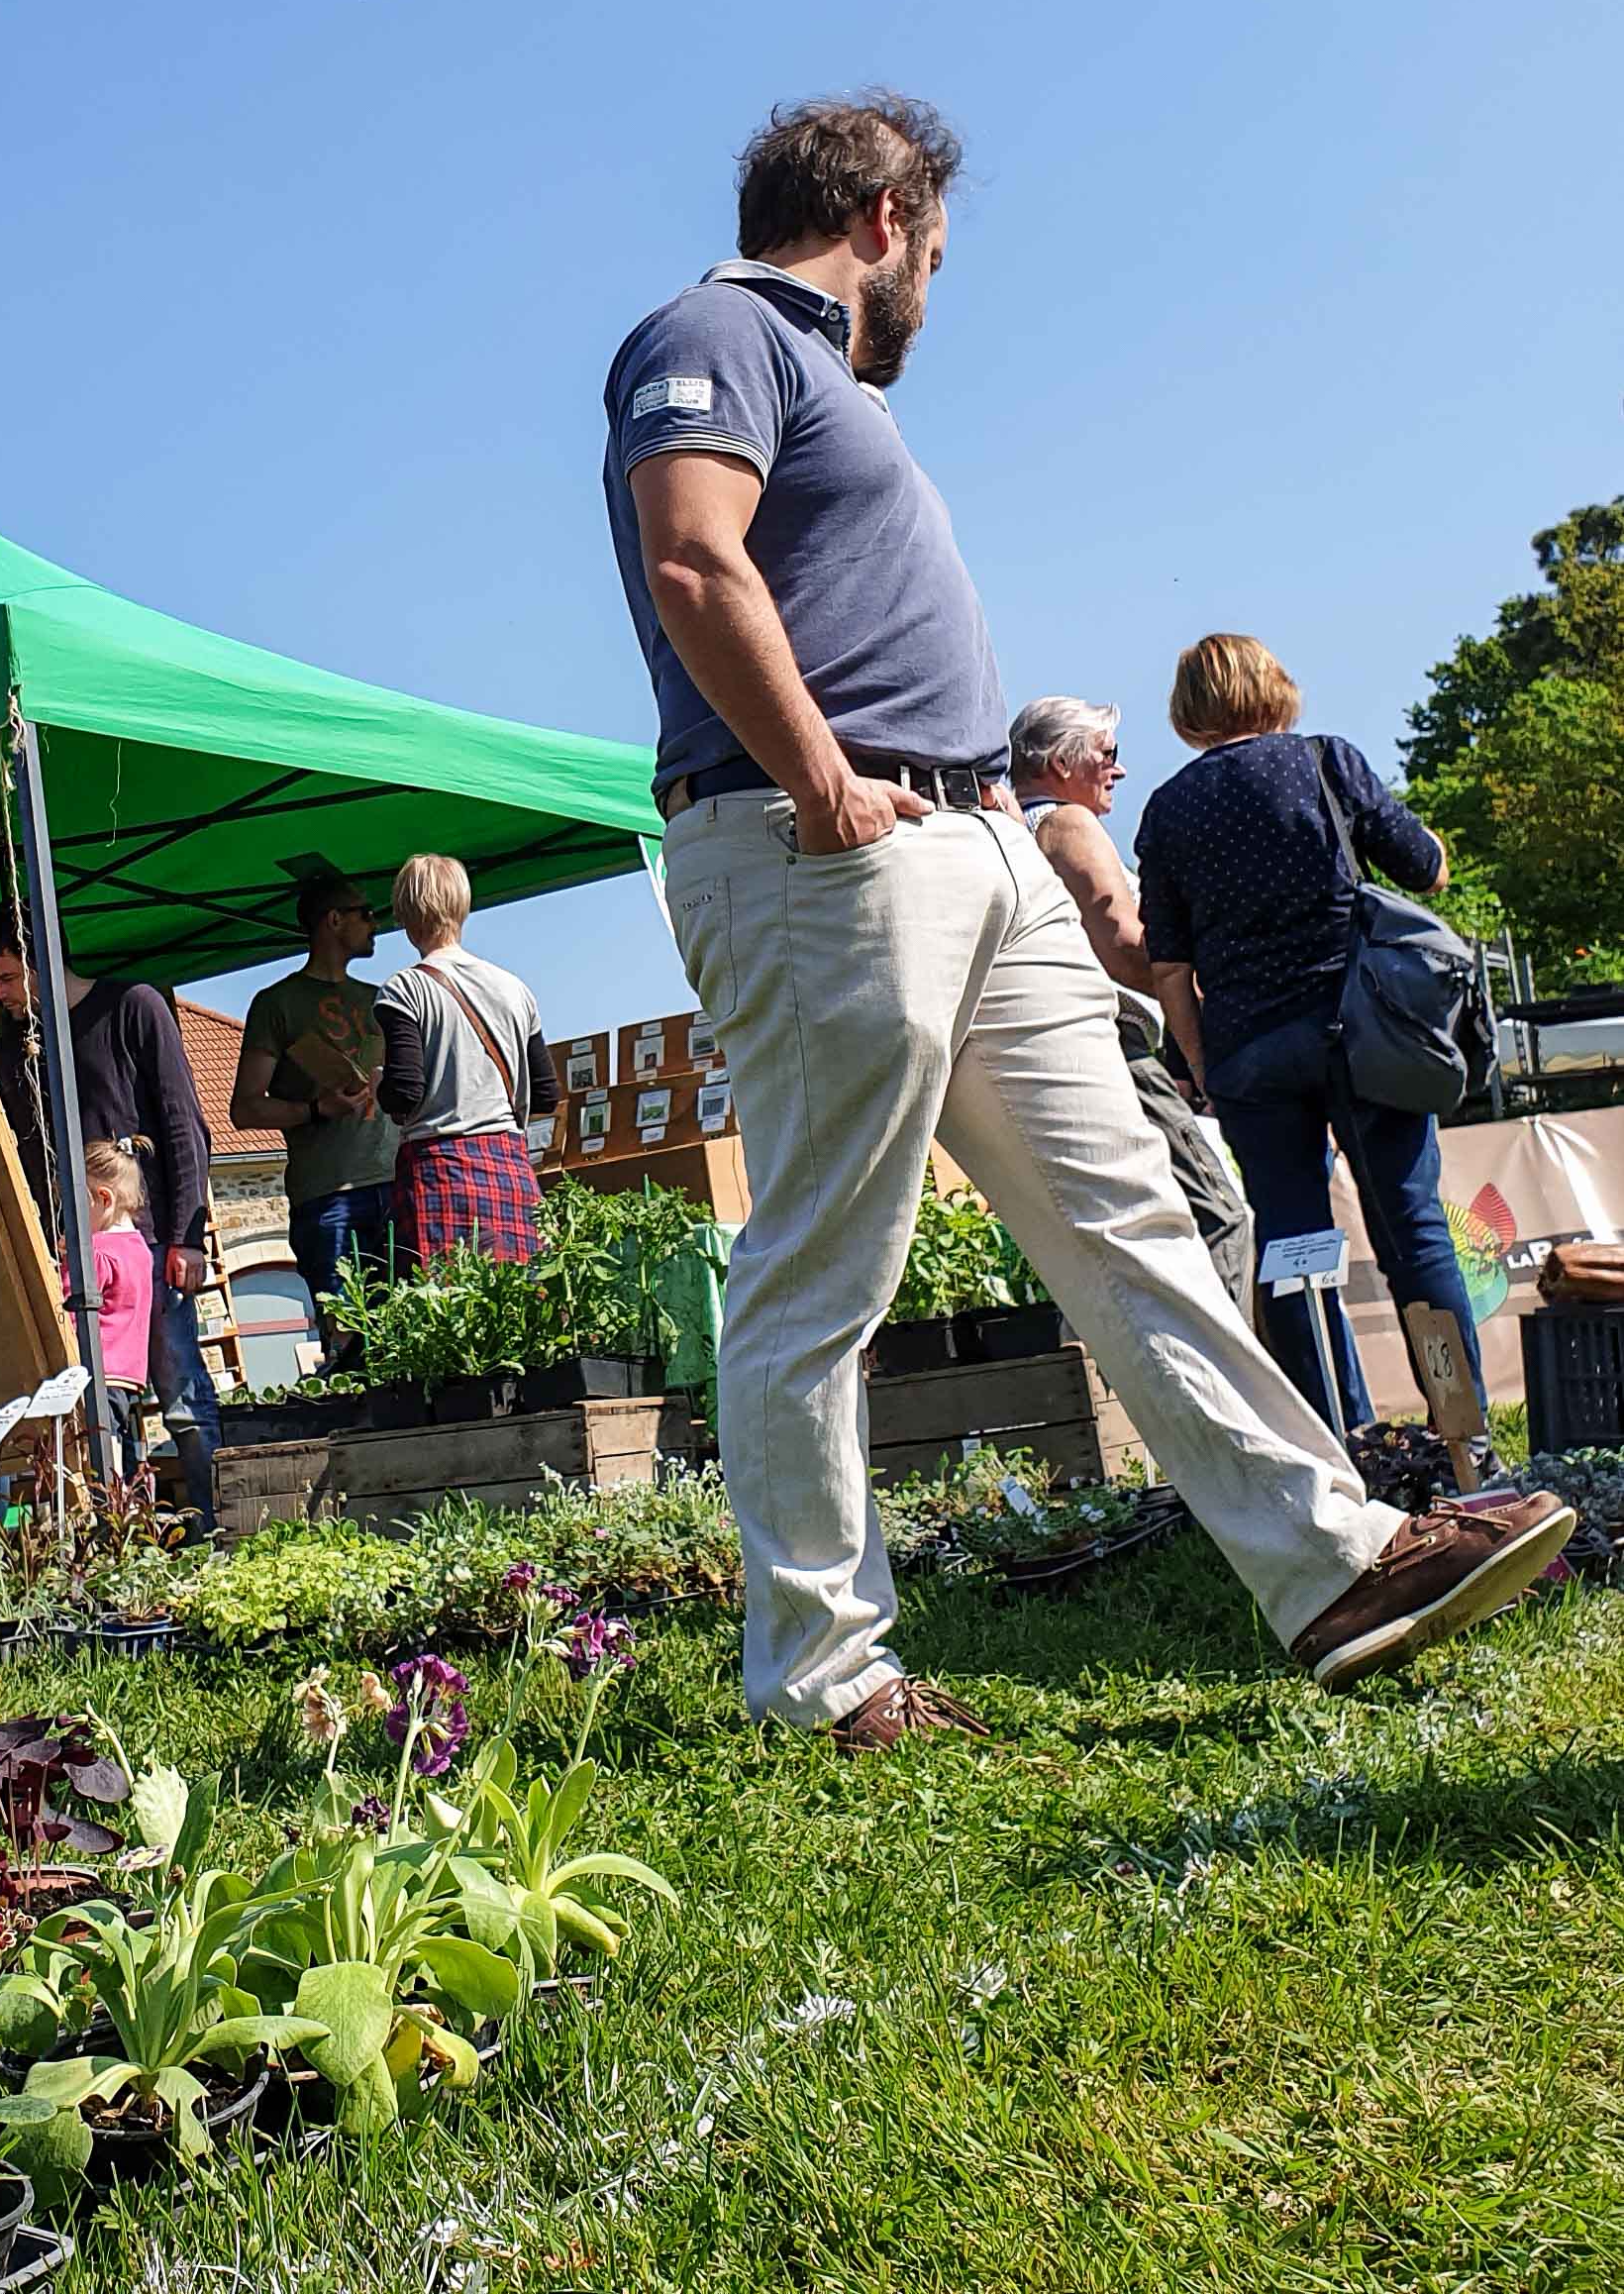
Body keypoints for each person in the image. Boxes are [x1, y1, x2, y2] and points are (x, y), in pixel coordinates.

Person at [601, 91, 1568, 1747]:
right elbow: (693, 560)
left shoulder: (825, 386)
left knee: (1130, 1215)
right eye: (940, 255)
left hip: (972, 845)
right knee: (823, 1260)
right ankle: (823, 1679)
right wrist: (829, 785)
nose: (931, 293)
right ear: (890, 217)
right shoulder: (715, 330)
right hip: (821, 842)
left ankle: (1331, 1560)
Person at [1135, 634, 1483, 1431]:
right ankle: (1463, 1436)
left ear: (1188, 711)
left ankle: (1344, 1449)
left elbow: (1169, 967)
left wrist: (1200, 1063)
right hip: (1362, 1041)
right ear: (1273, 686)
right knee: (1411, 1230)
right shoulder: (1325, 761)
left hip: (1250, 1056)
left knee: (1295, 1252)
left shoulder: (1167, 808)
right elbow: (1424, 867)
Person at [0, 907, 222, 1532]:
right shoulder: (19, 1047)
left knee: (181, 1392)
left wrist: (187, 1237)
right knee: (97, 1406)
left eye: (6, 979)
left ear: (40, 963)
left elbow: (184, 1124)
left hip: (146, 1247)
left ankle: (221, 1519)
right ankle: (124, 1532)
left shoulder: (132, 1007)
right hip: (69, 1258)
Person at [1007, 693, 1255, 1310]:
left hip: (1048, 1046)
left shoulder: (1008, 830)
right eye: (1107, 754)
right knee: (1220, 1213)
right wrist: (1204, 1007)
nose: (1117, 769)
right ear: (1063, 765)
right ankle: (1234, 1383)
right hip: (1110, 1039)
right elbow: (1124, 942)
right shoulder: (1068, 823)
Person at [230, 874, 397, 1354]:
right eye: (366, 913)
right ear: (333, 920)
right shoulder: (276, 1004)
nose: (375, 924)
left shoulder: (379, 998)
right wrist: (316, 1109)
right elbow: (245, 1108)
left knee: (402, 1330)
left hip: (392, 1180)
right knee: (346, 1338)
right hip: (327, 1194)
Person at [370, 854, 558, 1267]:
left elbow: (404, 1093)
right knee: (522, 1309)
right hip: (509, 1164)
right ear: (462, 906)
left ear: (403, 913)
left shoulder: (404, 989)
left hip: (438, 1170)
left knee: (442, 1314)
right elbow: (546, 1094)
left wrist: (377, 1087)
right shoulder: (514, 988)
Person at [84, 1141, 157, 1440]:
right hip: (127, 1374)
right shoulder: (140, 1249)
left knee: (95, 1452)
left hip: (97, 1371)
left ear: (104, 1199)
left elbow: (66, 1306)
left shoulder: (97, 1251)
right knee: (116, 1444)